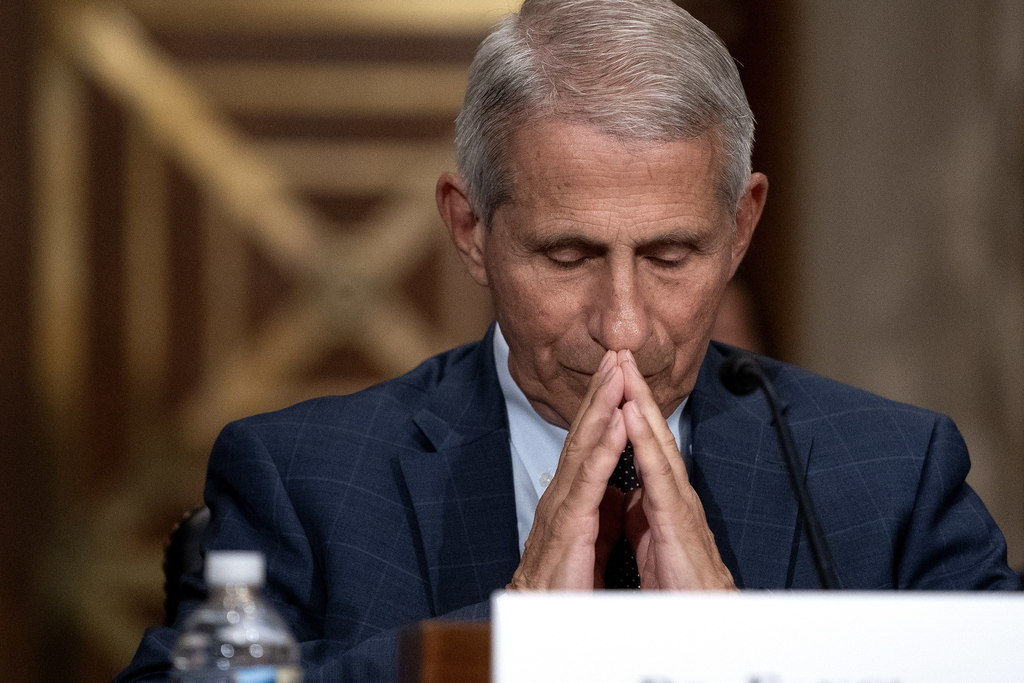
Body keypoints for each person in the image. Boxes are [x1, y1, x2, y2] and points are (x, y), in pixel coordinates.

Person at [117, 0, 1019, 680]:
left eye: (670, 256)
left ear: (741, 228)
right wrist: (511, 639)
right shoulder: (301, 480)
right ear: (471, 229)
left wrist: (744, 651)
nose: (622, 324)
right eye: (567, 255)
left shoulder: (889, 476)